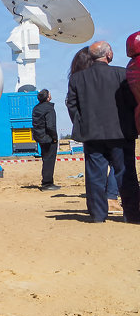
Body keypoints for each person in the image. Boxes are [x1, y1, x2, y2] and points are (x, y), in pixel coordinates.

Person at [67, 41, 139, 223]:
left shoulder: (77, 79)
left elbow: (72, 105)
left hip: (92, 135)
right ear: (108, 55)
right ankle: (132, 215)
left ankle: (98, 216)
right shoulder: (121, 74)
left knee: (95, 177)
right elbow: (133, 100)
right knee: (126, 175)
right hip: (121, 133)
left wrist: (82, 125)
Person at [31, 89, 60, 191]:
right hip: (48, 139)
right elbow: (51, 126)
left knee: (45, 159)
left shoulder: (36, 108)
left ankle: (46, 182)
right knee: (49, 161)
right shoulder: (49, 108)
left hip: (40, 138)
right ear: (47, 97)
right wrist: (55, 138)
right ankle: (47, 184)